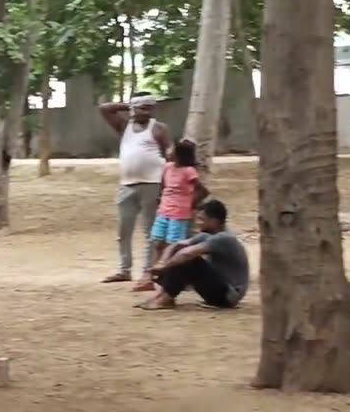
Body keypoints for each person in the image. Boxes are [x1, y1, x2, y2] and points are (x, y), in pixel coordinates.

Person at [98, 93, 172, 284]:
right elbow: (104, 108)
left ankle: (148, 270)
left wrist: (167, 182)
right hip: (127, 184)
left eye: (150, 107)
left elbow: (169, 153)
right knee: (124, 230)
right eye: (142, 107)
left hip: (152, 183)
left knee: (150, 230)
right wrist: (128, 105)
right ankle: (124, 270)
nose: (146, 111)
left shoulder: (159, 128)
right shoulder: (124, 126)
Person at [138, 199, 249, 311]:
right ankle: (161, 296)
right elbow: (177, 245)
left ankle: (165, 299)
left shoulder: (224, 238)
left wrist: (165, 266)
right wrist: (162, 262)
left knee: (190, 261)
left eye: (201, 219)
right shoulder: (207, 235)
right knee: (179, 256)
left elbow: (187, 253)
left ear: (214, 221)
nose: (197, 222)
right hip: (219, 289)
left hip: (228, 296)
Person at [139, 139, 208, 291]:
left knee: (173, 245)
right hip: (164, 210)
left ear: (178, 154)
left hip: (179, 213)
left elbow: (202, 191)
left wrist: (190, 204)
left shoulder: (189, 171)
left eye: (172, 149)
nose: (168, 151)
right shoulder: (167, 167)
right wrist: (161, 200)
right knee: (157, 242)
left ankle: (173, 277)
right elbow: (164, 187)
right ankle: (154, 275)